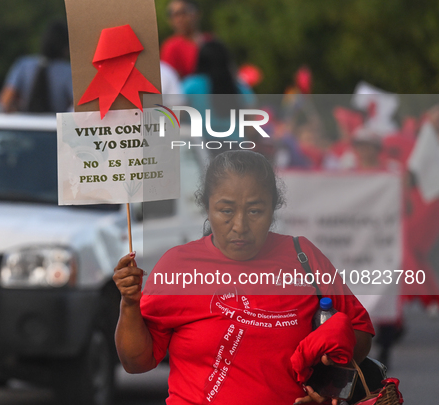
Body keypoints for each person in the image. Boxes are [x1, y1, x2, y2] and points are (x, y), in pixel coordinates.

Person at [113, 150, 374, 405]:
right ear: (206, 207)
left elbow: (360, 330)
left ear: (273, 208)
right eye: (226, 211)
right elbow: (136, 362)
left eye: (255, 211)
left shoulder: (303, 257)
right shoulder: (178, 267)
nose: (240, 225)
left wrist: (328, 386)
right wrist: (129, 304)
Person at [0, 21, 73, 113]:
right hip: (55, 124)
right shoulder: (68, 71)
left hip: (25, 123)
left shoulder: (23, 65)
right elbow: (76, 105)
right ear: (65, 46)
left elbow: (5, 101)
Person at [160, 0, 213, 79]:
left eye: (183, 12)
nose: (179, 19)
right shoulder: (171, 46)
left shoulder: (211, 41)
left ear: (198, 13)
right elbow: (170, 79)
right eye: (174, 15)